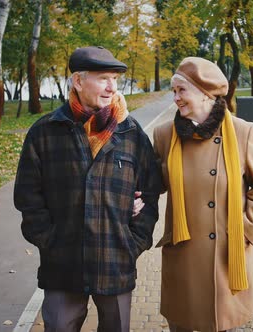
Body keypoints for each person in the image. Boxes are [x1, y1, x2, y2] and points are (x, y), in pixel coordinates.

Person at [14, 46, 161, 332]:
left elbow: (152, 192)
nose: (111, 87)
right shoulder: (45, 131)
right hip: (62, 263)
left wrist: (134, 242)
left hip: (115, 261)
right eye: (103, 78)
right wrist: (48, 239)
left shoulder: (131, 133)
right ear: (78, 82)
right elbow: (27, 195)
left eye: (115, 80)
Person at [153, 57, 253, 331]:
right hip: (183, 251)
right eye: (174, 91)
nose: (176, 98)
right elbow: (151, 185)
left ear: (205, 92)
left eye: (181, 90)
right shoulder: (164, 135)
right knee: (182, 322)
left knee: (221, 322)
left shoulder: (243, 133)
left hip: (227, 253)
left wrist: (246, 231)